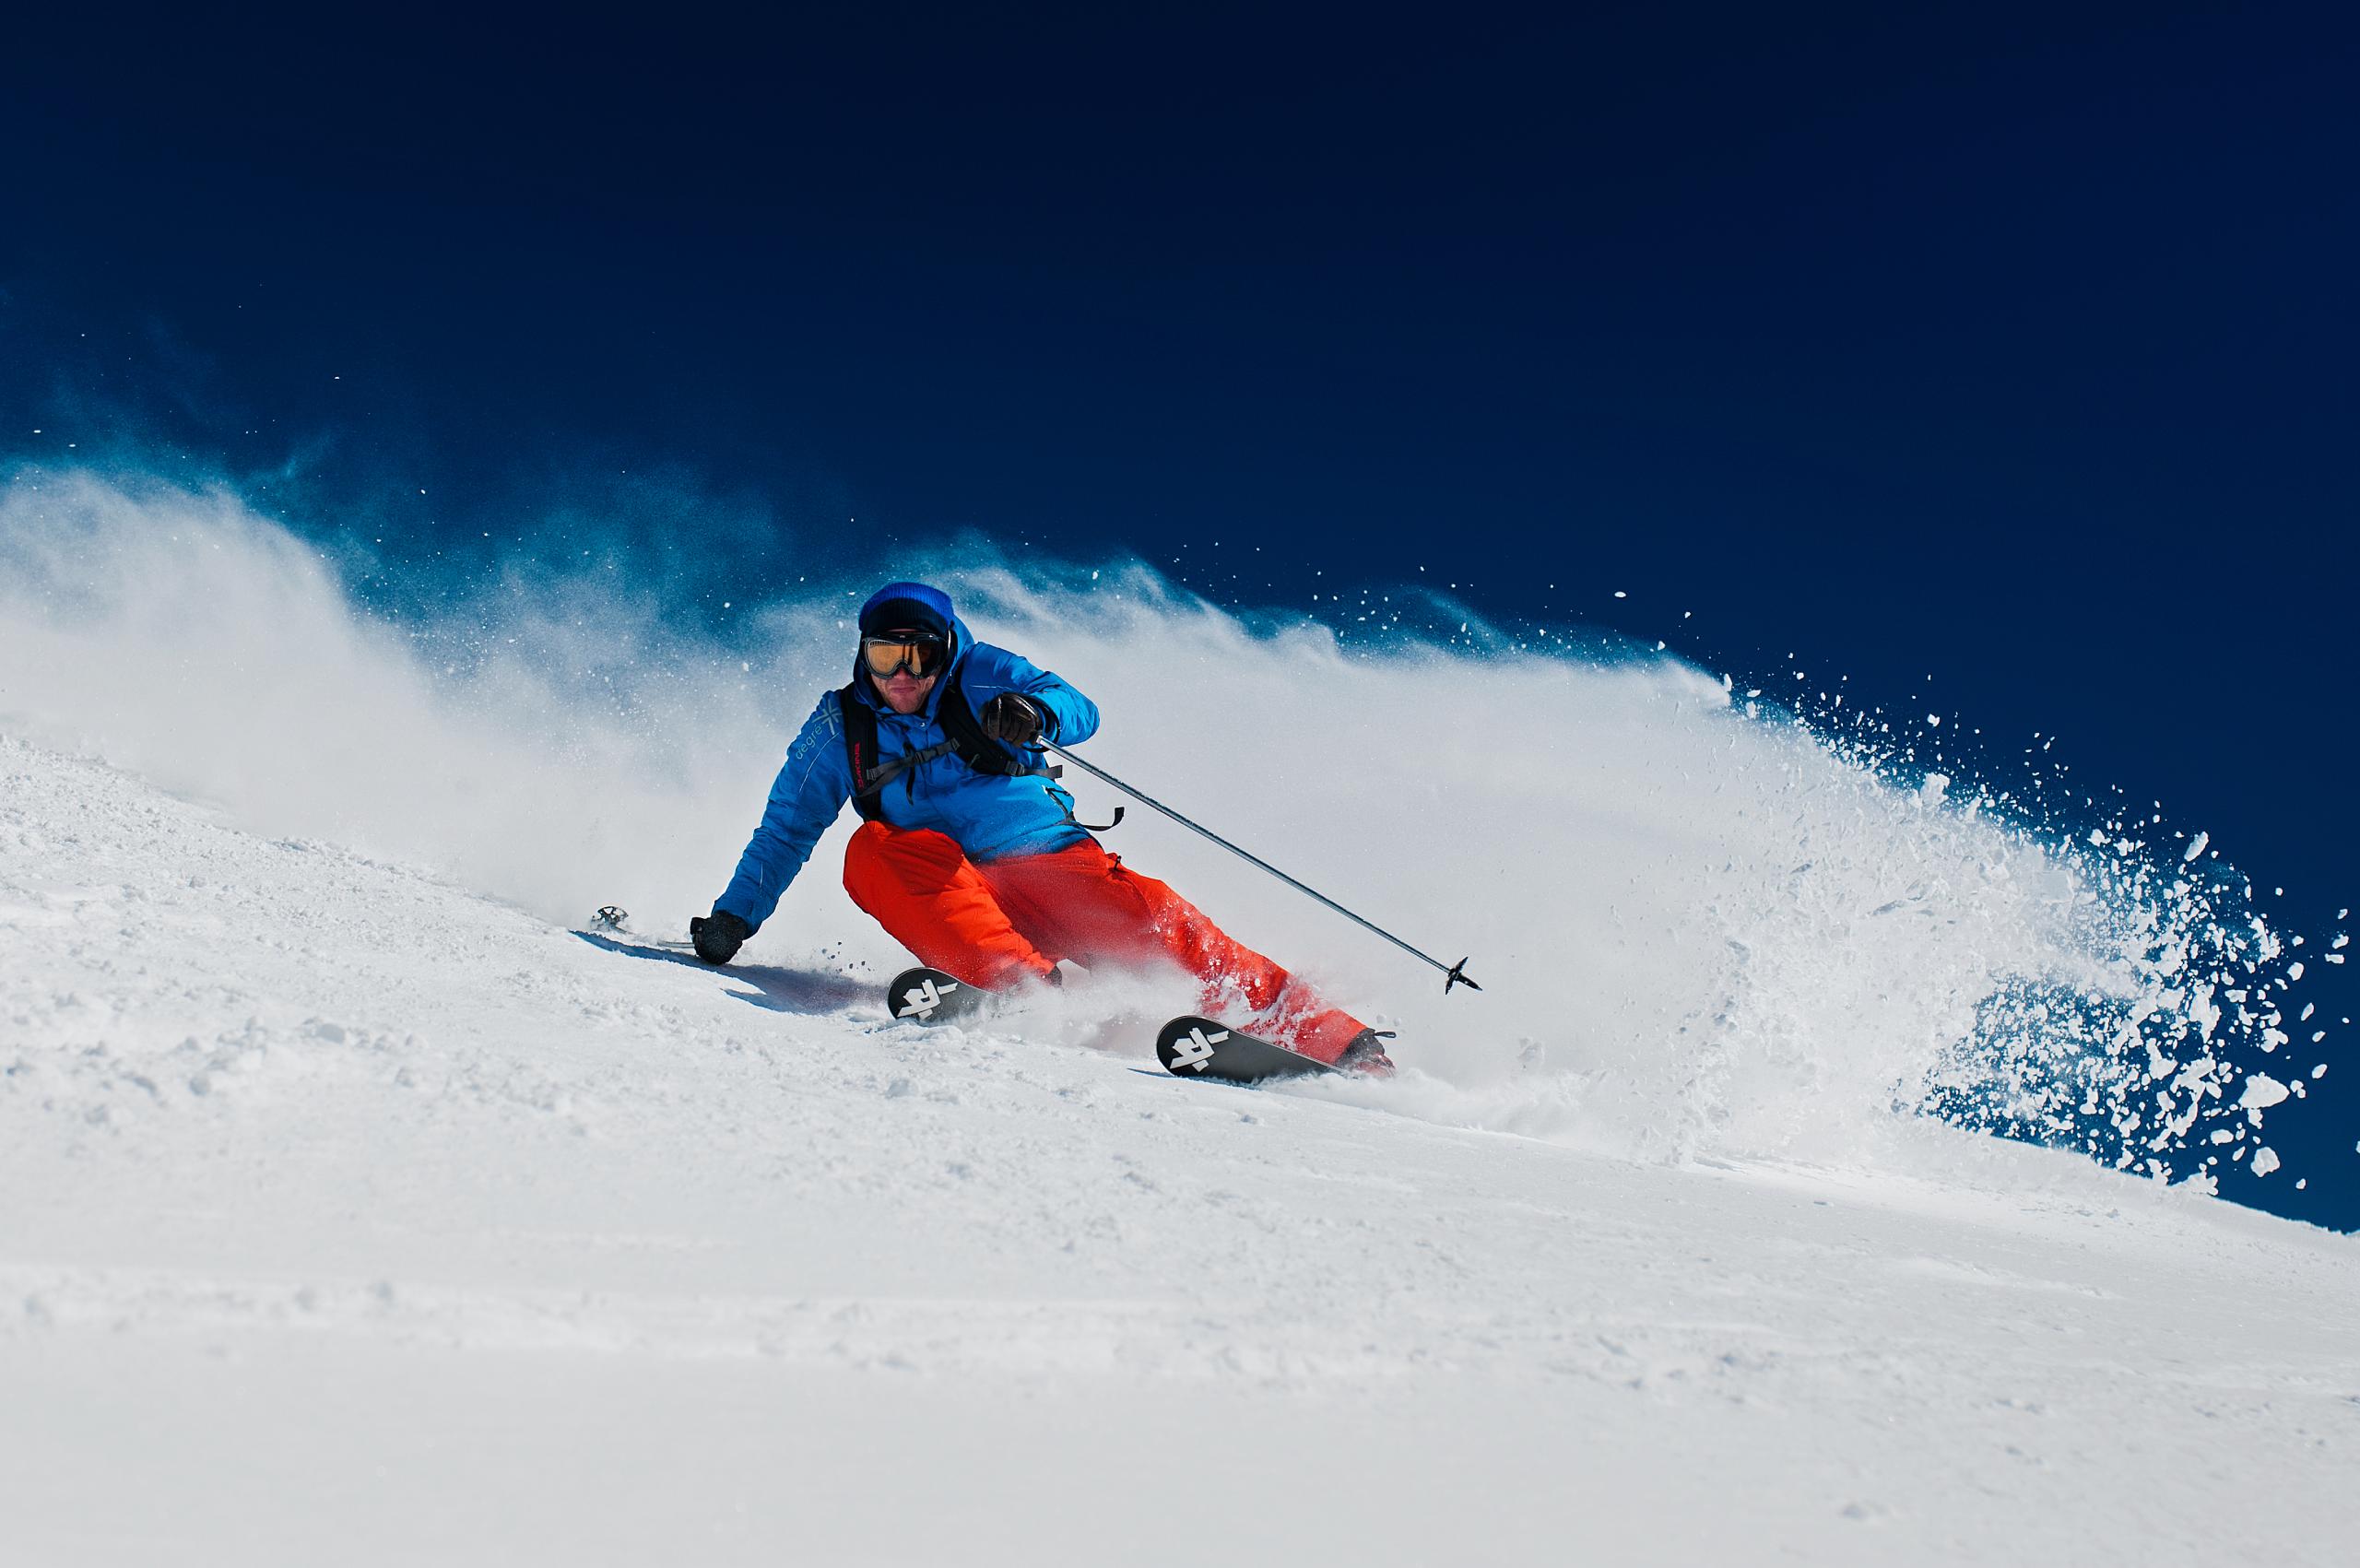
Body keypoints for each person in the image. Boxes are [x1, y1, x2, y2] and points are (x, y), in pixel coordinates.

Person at [690, 580, 1393, 1072]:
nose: (901, 676)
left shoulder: (983, 673)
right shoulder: (839, 726)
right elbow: (787, 826)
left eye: (919, 657)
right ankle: (1024, 990)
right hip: (951, 889)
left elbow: (1077, 704)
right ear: (862, 654)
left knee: (1160, 926)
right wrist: (734, 918)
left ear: (945, 652)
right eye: (884, 657)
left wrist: (1036, 714)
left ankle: (1332, 1042)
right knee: (869, 848)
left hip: (1048, 864)